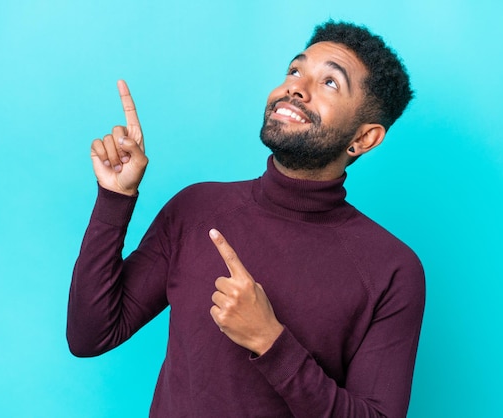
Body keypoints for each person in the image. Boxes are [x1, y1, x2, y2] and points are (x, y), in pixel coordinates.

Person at [67, 20, 425, 418]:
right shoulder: (196, 208)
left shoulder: (392, 270)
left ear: (364, 139)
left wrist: (271, 342)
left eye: (329, 83)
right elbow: (90, 335)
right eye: (295, 70)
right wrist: (115, 198)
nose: (295, 87)